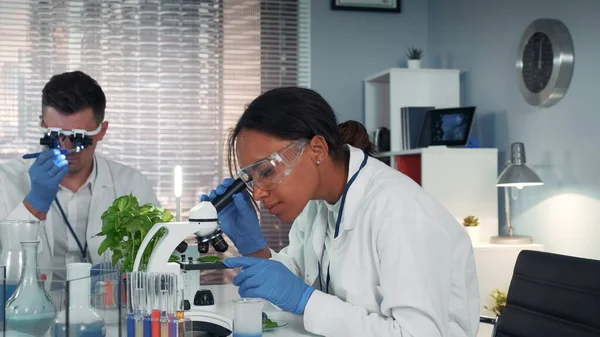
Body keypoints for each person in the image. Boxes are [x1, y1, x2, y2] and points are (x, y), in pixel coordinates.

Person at [201, 87, 480, 337]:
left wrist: (306, 300)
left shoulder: (400, 211)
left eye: (266, 171)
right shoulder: (318, 204)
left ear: (317, 149)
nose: (259, 193)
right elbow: (291, 283)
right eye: (251, 179)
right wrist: (253, 246)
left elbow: (419, 333)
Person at [0, 70, 160, 285]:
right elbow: (8, 276)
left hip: (108, 309)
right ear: (43, 124)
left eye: (80, 139)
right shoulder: (5, 181)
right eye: (56, 136)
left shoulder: (132, 184)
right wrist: (34, 205)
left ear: (102, 131)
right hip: (34, 313)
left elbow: (156, 264)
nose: (66, 148)